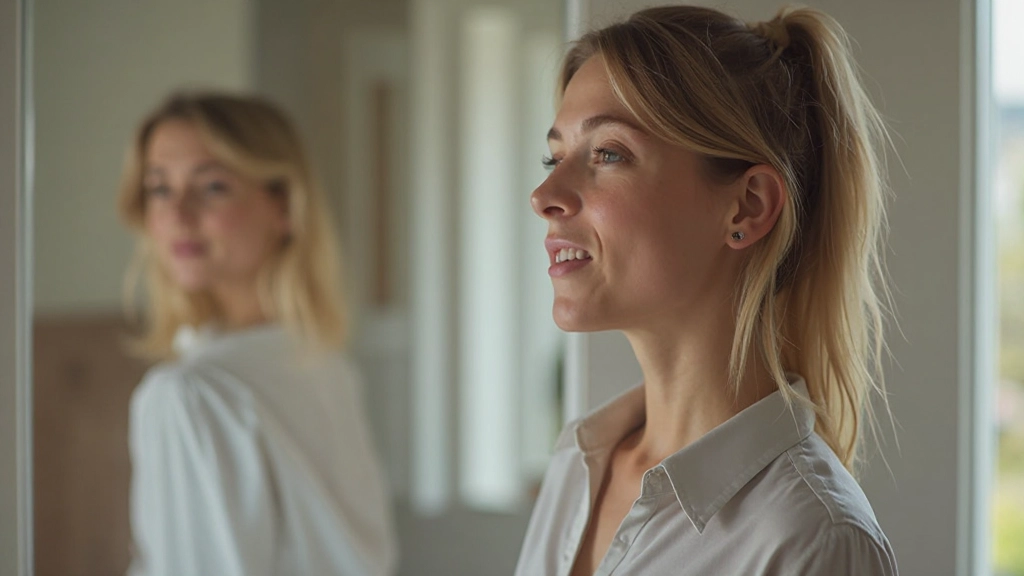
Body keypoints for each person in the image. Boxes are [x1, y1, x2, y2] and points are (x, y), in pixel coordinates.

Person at [516, 5, 897, 575]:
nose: (545, 193)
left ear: (747, 206)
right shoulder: (579, 462)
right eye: (555, 156)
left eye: (608, 153)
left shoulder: (812, 541)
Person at [117, 92, 397, 576]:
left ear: (283, 204)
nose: (178, 214)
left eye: (212, 187)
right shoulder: (320, 361)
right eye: (159, 188)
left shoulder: (190, 394)